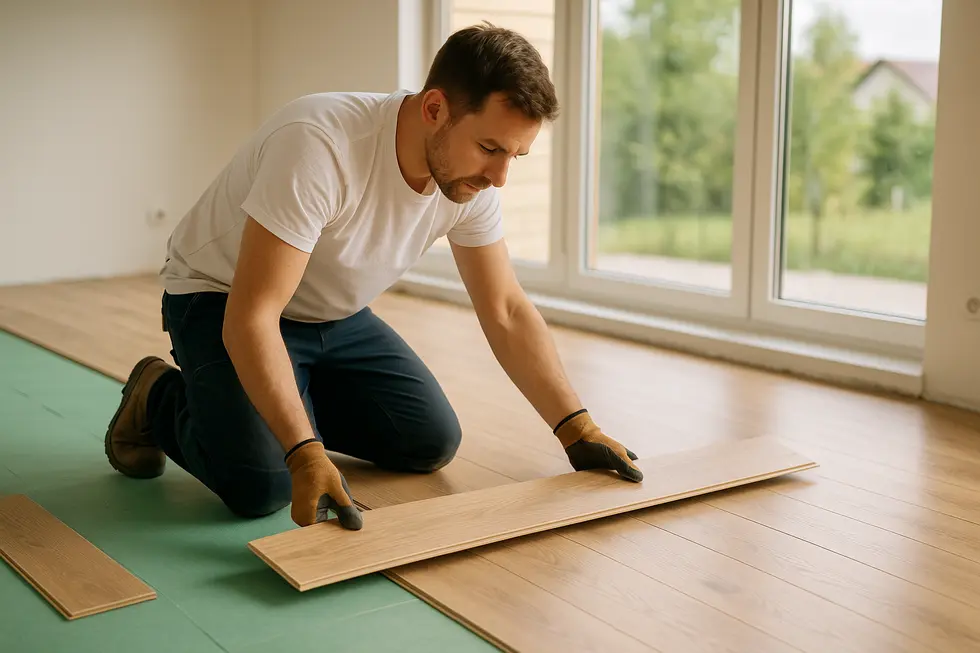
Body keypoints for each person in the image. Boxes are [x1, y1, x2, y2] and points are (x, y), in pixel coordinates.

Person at [103, 23, 642, 531]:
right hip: (220, 299)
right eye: (491, 149)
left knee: (428, 441)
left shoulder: (469, 182)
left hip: (332, 315)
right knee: (261, 483)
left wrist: (578, 428)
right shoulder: (320, 144)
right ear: (435, 108)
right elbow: (253, 316)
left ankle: (282, 401)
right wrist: (302, 451)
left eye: (515, 156)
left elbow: (504, 308)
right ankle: (158, 397)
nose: (499, 176)